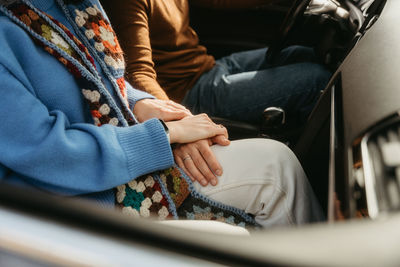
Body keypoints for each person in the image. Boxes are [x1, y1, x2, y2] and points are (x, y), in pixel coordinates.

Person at [0, 0, 323, 228]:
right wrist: (165, 136)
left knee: (274, 160)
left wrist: (142, 105)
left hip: (121, 150)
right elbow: (48, 153)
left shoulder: (73, 3)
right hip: (73, 198)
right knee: (264, 184)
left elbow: (110, 79)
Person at [101, 0, 331, 125]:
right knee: (315, 79)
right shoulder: (125, 3)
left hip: (209, 67)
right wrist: (179, 122)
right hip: (189, 93)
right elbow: (138, 75)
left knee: (303, 53)